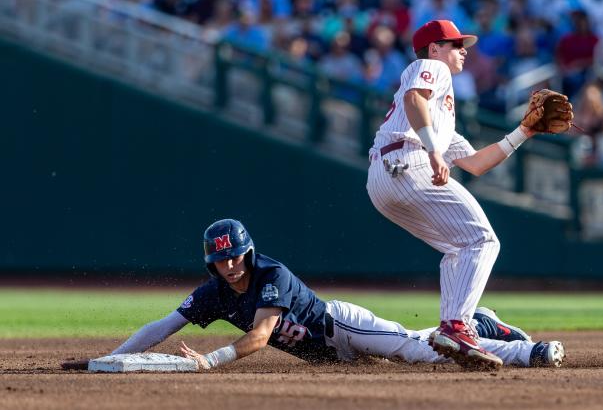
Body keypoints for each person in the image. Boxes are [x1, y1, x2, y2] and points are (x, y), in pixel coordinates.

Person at [83, 219, 564, 371]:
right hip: (332, 356)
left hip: (341, 325)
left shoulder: (271, 273)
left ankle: (520, 347)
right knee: (420, 349)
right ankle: (478, 320)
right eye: (220, 259)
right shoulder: (213, 293)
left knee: (424, 354)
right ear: (210, 262)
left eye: (235, 257)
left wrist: (208, 361)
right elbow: (164, 326)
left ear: (248, 254)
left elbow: (260, 335)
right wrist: (108, 358)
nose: (229, 265)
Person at [365, 20, 547, 368]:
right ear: (434, 48)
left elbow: (477, 163)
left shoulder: (443, 114)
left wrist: (525, 131)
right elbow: (414, 96)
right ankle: (456, 327)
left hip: (386, 178)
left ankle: (453, 332)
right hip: (408, 159)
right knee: (483, 241)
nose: (463, 50)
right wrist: (433, 150)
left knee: (460, 247)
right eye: (455, 44)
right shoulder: (429, 66)